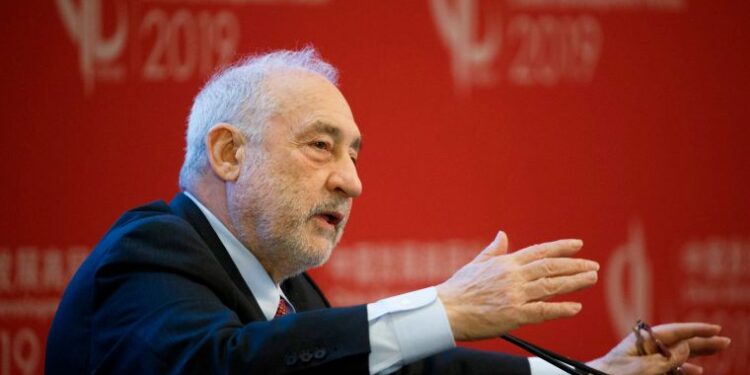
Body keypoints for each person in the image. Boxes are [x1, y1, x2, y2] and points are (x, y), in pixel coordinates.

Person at [46, 48, 730, 374]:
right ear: (227, 152)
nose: (352, 182)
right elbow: (224, 368)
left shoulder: (287, 292)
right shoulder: (146, 256)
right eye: (321, 147)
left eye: (356, 154)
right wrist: (447, 307)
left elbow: (407, 371)